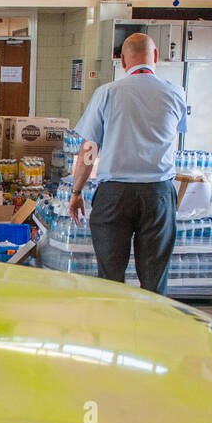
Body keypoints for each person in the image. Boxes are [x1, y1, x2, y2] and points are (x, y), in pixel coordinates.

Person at [68, 33, 187, 293]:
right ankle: (153, 329)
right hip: (157, 194)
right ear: (155, 57)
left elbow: (89, 148)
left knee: (110, 276)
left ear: (122, 61)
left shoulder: (107, 93)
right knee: (154, 276)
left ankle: (113, 329)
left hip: (114, 196)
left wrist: (77, 191)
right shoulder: (175, 93)